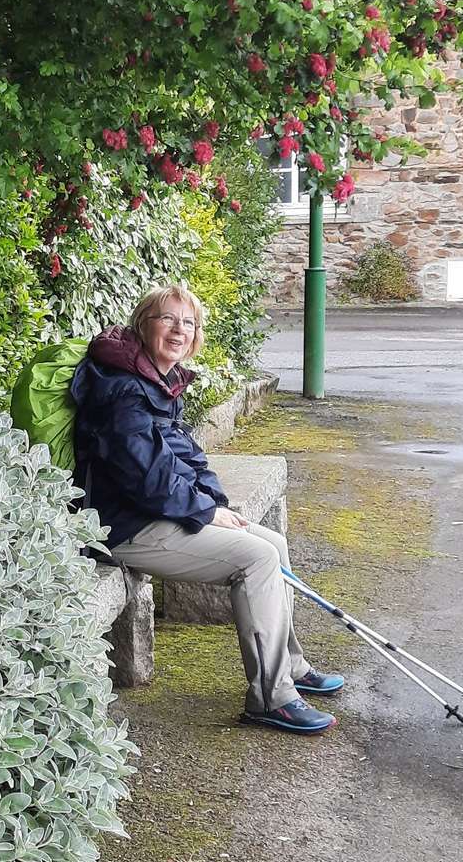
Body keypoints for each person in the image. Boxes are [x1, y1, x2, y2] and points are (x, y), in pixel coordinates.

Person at [70, 283, 343, 735]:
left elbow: (187, 456)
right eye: (167, 319)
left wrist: (214, 502)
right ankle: (271, 698)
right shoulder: (122, 392)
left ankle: (288, 666)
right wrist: (205, 512)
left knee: (272, 543)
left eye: (188, 323)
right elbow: (147, 479)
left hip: (153, 513)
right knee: (257, 558)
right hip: (123, 528)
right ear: (143, 325)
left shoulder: (155, 379)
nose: (179, 330)